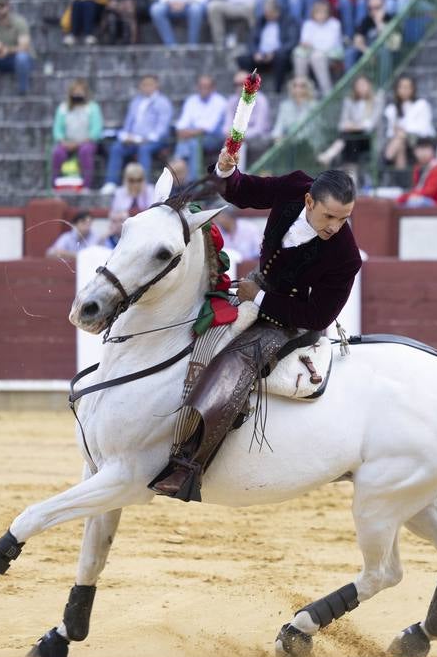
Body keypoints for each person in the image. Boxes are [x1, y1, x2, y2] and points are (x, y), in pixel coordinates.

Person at [150, 163, 361, 503]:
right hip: (257, 287)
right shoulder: (294, 185)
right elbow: (245, 191)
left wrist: (259, 298)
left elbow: (318, 314)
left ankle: (188, 464)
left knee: (235, 363)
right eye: (329, 217)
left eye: (344, 218)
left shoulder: (345, 256)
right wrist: (225, 171)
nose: (335, 227)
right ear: (308, 201)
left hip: (293, 321)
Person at [102, 74, 173, 191]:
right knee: (116, 148)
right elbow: (128, 125)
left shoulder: (163, 102)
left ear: (157, 85)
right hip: (134, 139)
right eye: (144, 85)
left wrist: (144, 139)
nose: (147, 87)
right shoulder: (136, 102)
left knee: (144, 149)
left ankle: (144, 184)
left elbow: (162, 129)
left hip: (155, 140)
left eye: (150, 84)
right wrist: (126, 136)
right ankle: (111, 182)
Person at [317, 74, 382, 169]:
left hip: (369, 139)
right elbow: (342, 124)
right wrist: (355, 126)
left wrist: (353, 126)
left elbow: (370, 125)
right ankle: (351, 174)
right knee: (350, 139)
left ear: (369, 85)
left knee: (349, 136)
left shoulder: (377, 100)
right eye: (359, 85)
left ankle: (329, 155)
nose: (361, 88)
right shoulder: (349, 101)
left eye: (364, 85)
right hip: (352, 139)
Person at [173, 74, 229, 179]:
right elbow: (182, 122)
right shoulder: (191, 100)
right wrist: (182, 131)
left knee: (190, 143)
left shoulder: (220, 101)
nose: (203, 89)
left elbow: (209, 127)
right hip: (193, 136)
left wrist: (188, 133)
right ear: (197, 87)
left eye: (206, 86)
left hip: (213, 138)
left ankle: (190, 179)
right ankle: (183, 175)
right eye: (201, 86)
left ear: (213, 88)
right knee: (187, 142)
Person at [237, 0, 298, 92]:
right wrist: (255, 52)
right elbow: (251, 40)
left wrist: (274, 53)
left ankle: (277, 90)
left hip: (278, 56)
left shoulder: (289, 21)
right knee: (243, 59)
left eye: (269, 13)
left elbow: (292, 42)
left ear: (277, 11)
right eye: (265, 13)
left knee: (281, 58)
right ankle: (250, 90)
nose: (267, 15)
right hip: (261, 55)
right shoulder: (260, 21)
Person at [50, 79, 103, 189]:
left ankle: (86, 186)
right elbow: (57, 129)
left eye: (80, 91)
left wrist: (79, 143)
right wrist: (63, 141)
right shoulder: (63, 108)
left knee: (85, 151)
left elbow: (96, 131)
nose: (77, 94)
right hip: (67, 142)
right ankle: (55, 185)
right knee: (57, 153)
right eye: (75, 91)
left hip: (86, 142)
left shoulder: (93, 107)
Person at [382, 75, 435, 173]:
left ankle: (386, 159)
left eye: (408, 87)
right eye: (402, 87)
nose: (404, 90)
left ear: (413, 89)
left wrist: (404, 131)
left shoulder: (421, 104)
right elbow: (390, 132)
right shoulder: (392, 108)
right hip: (400, 141)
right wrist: (400, 132)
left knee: (400, 137)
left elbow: (424, 128)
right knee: (400, 143)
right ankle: (401, 179)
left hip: (420, 140)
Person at [291, 0, 344, 96]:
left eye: (323, 12)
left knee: (317, 56)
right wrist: (309, 46)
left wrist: (313, 46)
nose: (320, 15)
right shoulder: (308, 24)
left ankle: (327, 92)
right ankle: (302, 91)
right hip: (311, 53)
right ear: (313, 13)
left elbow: (330, 44)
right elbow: (304, 41)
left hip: (331, 55)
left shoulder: (335, 24)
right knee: (299, 55)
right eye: (318, 13)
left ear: (328, 13)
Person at [225, 69, 272, 165]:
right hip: (239, 137)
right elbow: (226, 126)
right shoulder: (232, 101)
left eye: (242, 83)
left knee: (238, 146)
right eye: (236, 84)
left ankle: (237, 177)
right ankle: (226, 175)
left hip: (260, 138)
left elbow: (259, 129)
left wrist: (238, 136)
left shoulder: (261, 100)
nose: (239, 87)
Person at [398, 137, 437, 208]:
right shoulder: (417, 168)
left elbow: (428, 192)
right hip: (429, 202)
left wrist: (406, 196)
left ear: (433, 151)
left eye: (426, 149)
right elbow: (417, 189)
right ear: (415, 152)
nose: (423, 153)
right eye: (421, 149)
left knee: (414, 201)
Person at [272, 76, 317, 142]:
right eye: (295, 86)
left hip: (309, 143)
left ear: (308, 88)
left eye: (302, 86)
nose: (298, 89)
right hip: (290, 144)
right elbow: (278, 129)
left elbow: (312, 131)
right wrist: (278, 139)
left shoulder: (314, 106)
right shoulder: (285, 106)